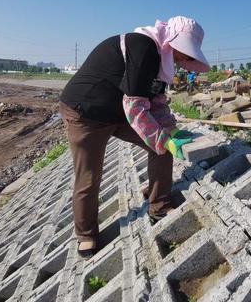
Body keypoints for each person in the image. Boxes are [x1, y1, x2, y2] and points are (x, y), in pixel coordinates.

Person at [58, 16, 210, 258]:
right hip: (86, 112)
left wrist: (171, 130)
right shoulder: (144, 48)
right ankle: (86, 233)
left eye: (190, 57)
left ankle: (159, 204)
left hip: (119, 112)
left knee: (161, 148)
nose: (185, 61)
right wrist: (163, 137)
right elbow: (136, 107)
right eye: (186, 54)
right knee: (89, 175)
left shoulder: (161, 60)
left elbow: (156, 101)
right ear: (172, 42)